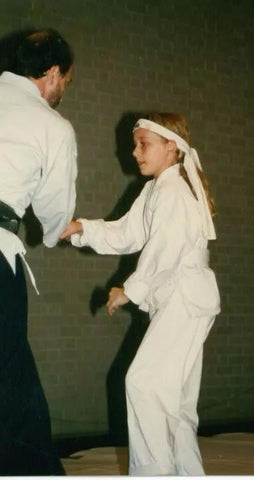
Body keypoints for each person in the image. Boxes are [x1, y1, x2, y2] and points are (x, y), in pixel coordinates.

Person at [60, 113, 220, 476]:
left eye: (143, 144)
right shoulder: (157, 189)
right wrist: (80, 228)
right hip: (184, 299)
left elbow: (164, 250)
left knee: (144, 384)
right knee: (173, 403)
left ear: (171, 147)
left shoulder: (175, 191)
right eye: (135, 144)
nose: (134, 152)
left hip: (184, 297)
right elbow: (127, 234)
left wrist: (128, 292)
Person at [0, 28, 77, 475]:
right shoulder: (51, 126)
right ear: (50, 73)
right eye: (65, 81)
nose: (63, 90)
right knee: (14, 391)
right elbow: (54, 216)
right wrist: (57, 231)